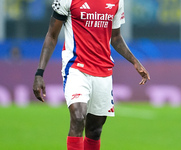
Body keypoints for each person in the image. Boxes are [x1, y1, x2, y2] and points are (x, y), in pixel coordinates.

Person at [33, 0, 150, 150]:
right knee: (78, 117)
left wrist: (135, 62)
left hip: (103, 71)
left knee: (95, 130)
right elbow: (52, 35)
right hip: (76, 68)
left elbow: (116, 38)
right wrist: (39, 73)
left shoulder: (117, 2)